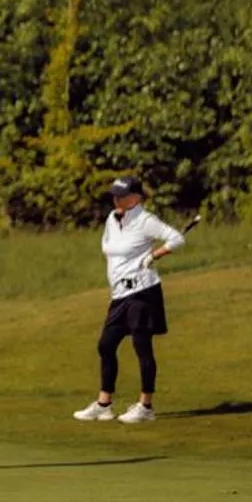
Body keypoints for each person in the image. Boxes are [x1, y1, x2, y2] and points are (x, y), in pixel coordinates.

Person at [74, 175, 186, 426]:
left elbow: (177, 238)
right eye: (114, 194)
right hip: (120, 294)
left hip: (143, 292)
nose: (116, 199)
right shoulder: (112, 220)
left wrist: (155, 254)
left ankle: (145, 406)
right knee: (106, 345)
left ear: (135, 198)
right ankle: (104, 405)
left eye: (121, 195)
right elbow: (110, 251)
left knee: (141, 346)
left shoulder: (146, 221)